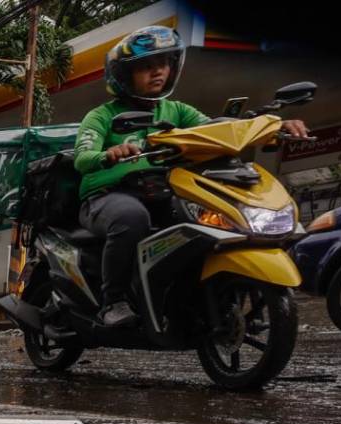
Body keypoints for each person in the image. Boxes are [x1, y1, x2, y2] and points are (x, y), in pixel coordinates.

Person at [73, 25, 308, 327]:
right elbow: (82, 158)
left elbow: (217, 132)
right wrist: (110, 154)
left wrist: (276, 126)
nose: (157, 72)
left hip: (162, 190)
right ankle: (113, 302)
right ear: (124, 74)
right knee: (131, 219)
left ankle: (187, 298)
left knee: (206, 223)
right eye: (145, 67)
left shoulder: (177, 110)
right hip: (107, 196)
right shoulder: (101, 116)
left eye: (162, 65)